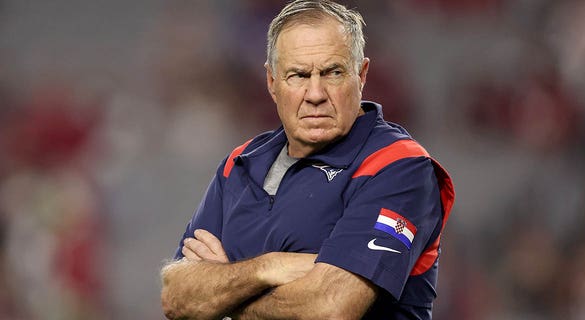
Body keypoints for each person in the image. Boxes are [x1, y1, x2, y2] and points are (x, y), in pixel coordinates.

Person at [160, 1, 455, 319]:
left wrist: (224, 293)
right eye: (298, 75)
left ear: (362, 75)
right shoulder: (240, 164)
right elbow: (177, 298)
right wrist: (269, 267)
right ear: (272, 83)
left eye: (332, 73)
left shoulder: (398, 167)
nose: (315, 93)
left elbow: (330, 308)